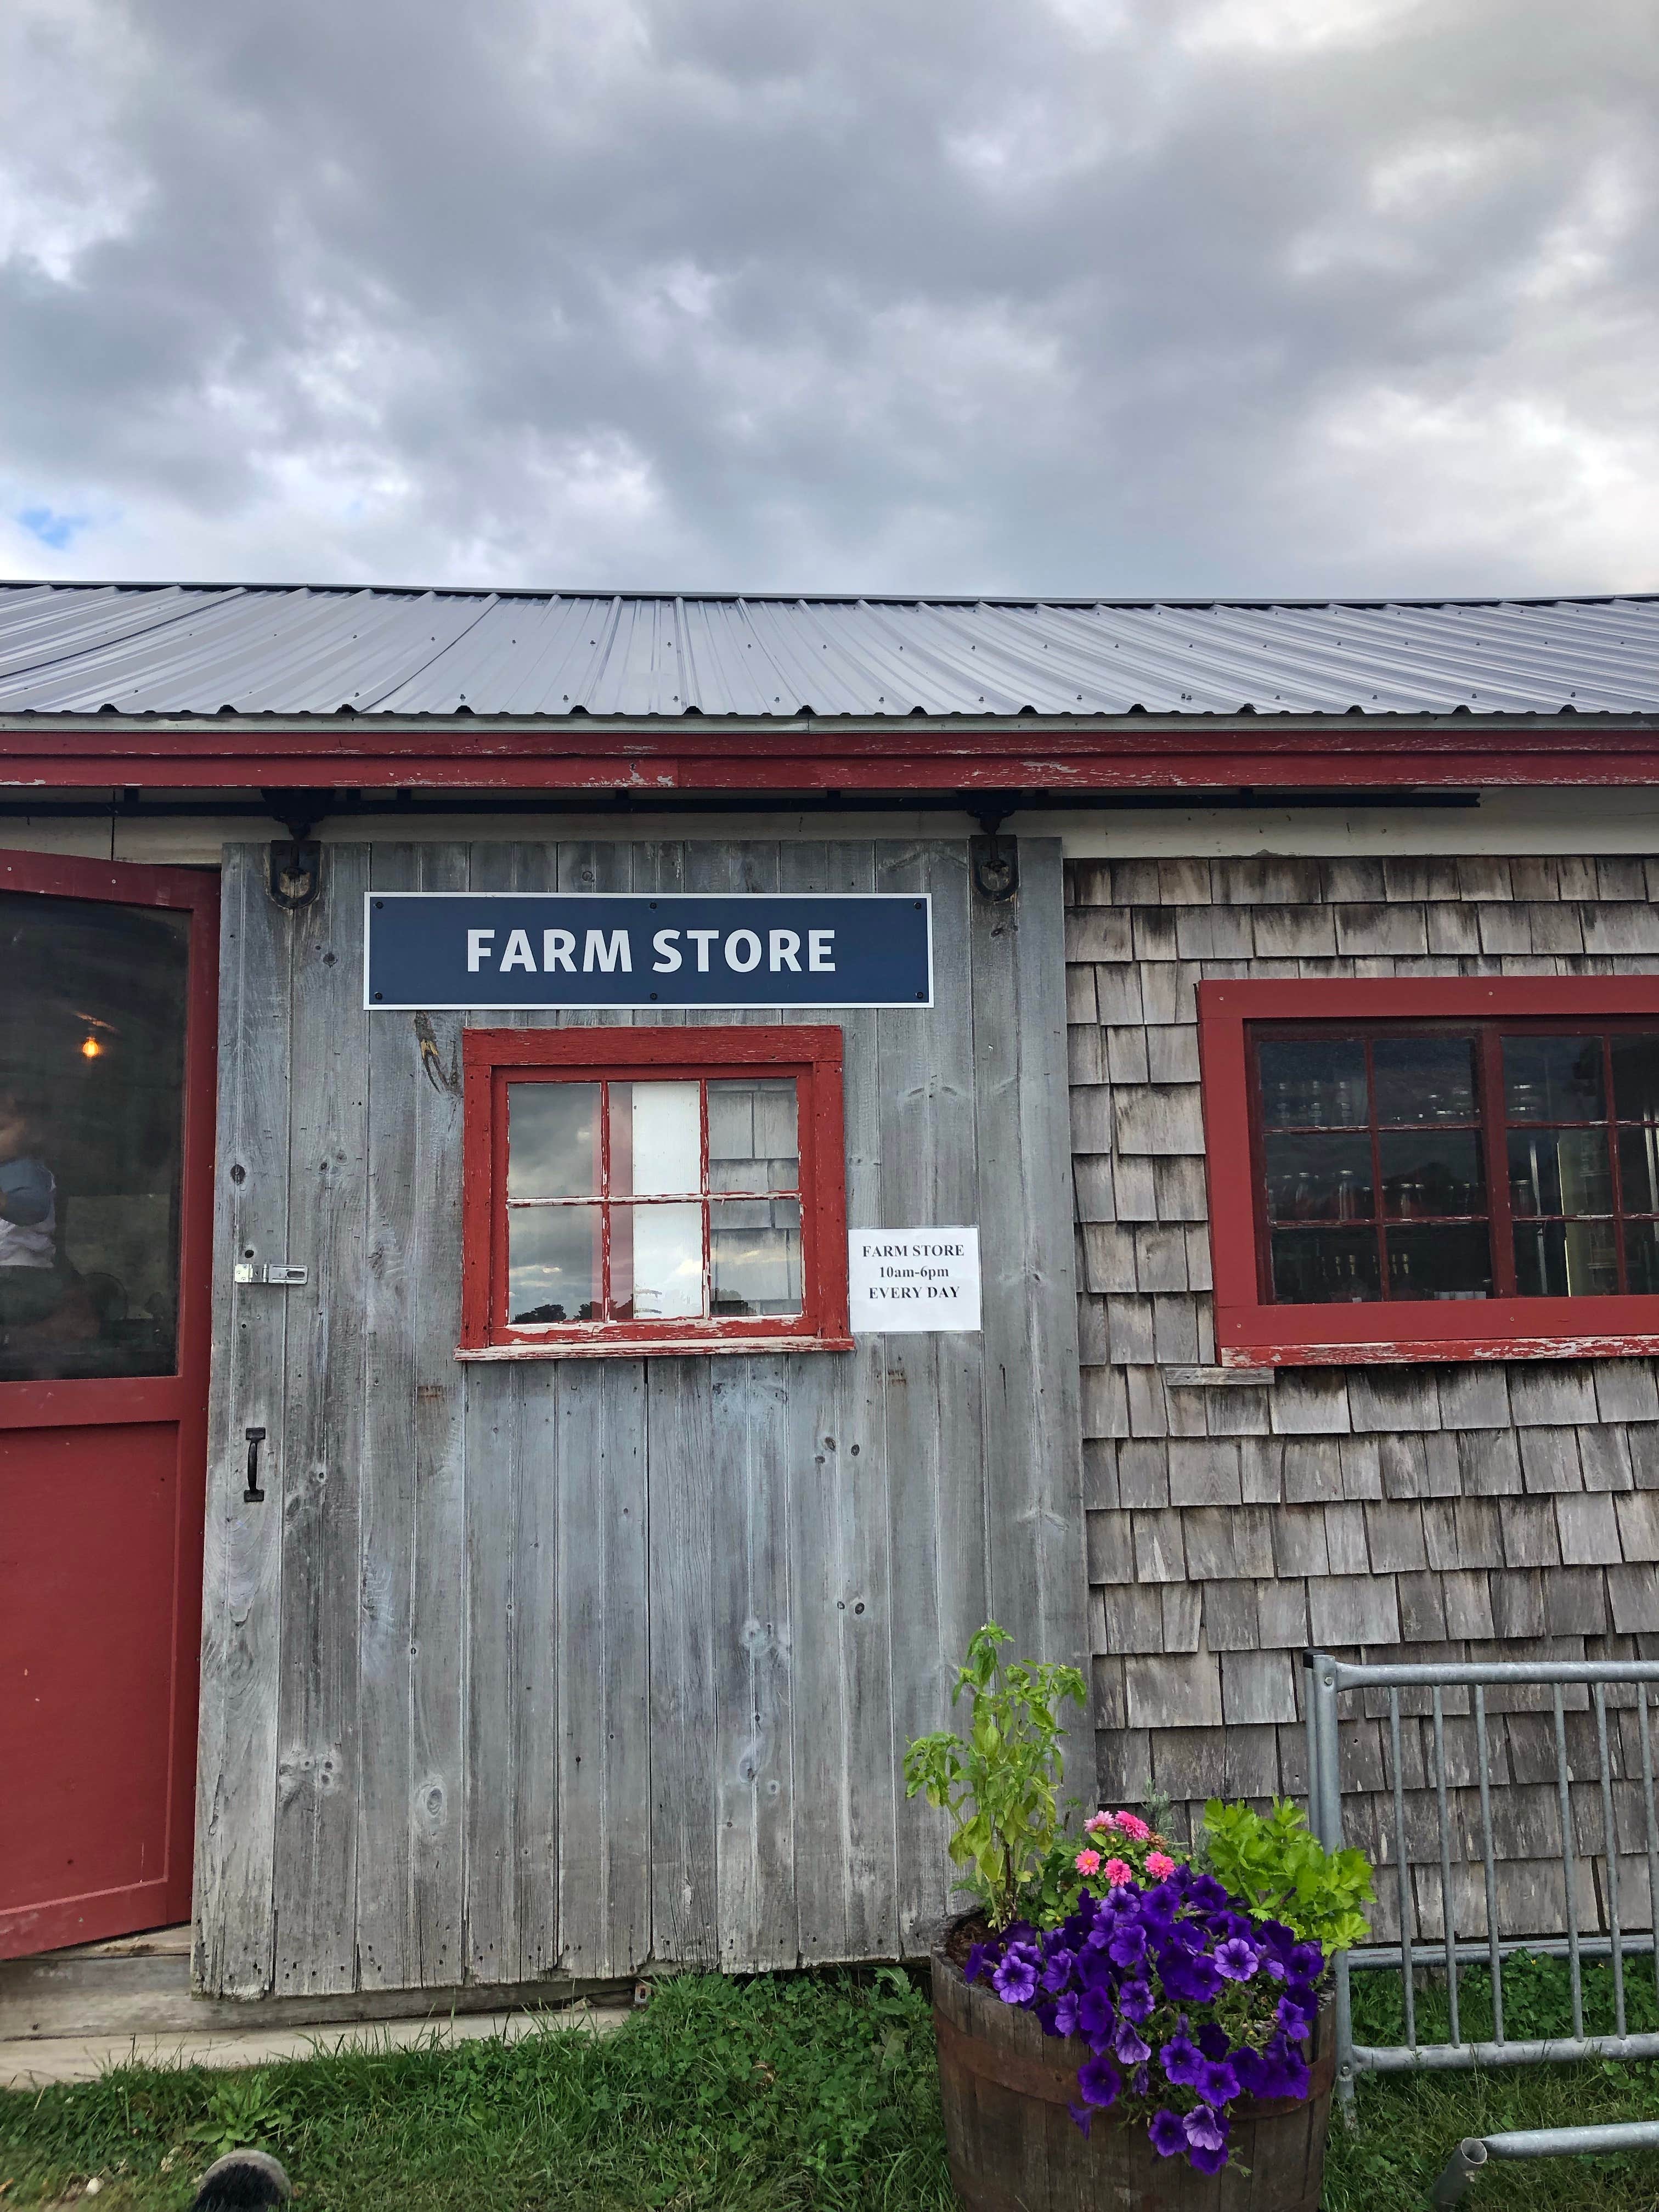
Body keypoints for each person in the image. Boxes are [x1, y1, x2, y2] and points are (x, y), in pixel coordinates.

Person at [0, 1089, 64, 1326]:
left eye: (0, 1129)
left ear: (33, 1135)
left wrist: (5, 1202)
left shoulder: (28, 1170)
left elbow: (35, 1208)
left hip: (21, 1274)